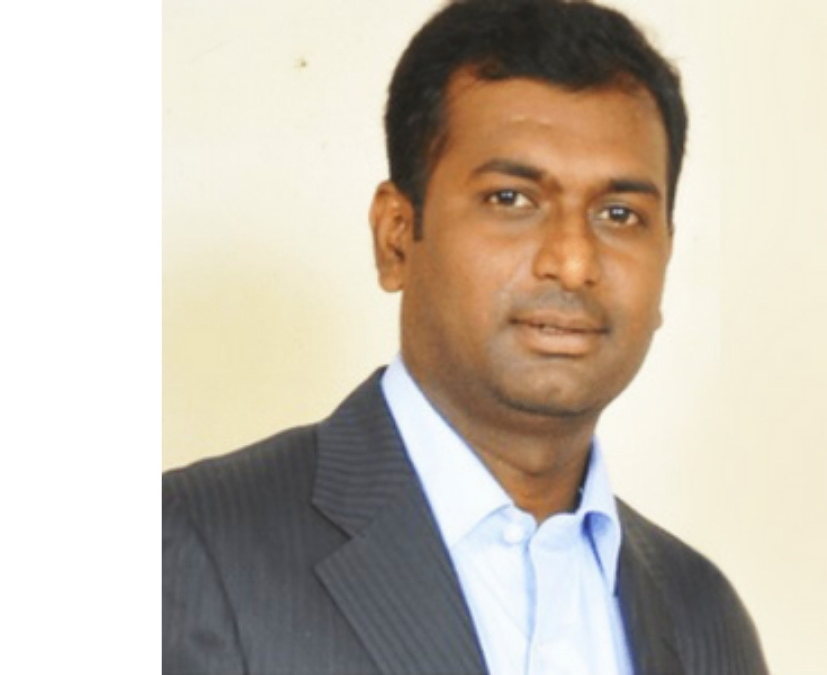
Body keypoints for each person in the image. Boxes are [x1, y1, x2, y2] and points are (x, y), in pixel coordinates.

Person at [163, 0, 768, 673]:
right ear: (397, 237)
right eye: (512, 199)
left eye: (620, 214)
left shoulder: (704, 616)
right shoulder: (190, 546)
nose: (573, 262)